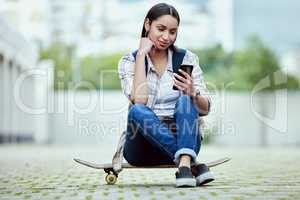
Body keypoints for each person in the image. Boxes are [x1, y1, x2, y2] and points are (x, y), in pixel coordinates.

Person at [118, 3, 213, 187]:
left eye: (172, 32)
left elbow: (206, 109)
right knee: (137, 110)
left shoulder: (187, 59)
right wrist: (141, 57)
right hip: (141, 148)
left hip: (184, 138)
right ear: (147, 25)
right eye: (160, 29)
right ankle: (189, 164)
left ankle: (184, 164)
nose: (166, 37)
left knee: (187, 101)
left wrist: (193, 93)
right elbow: (140, 100)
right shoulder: (129, 61)